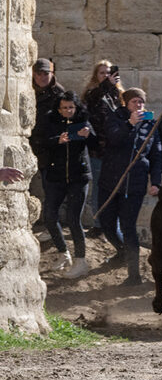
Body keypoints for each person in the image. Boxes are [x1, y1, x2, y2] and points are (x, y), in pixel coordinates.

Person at [98, 88, 162, 287]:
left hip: (134, 185)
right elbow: (114, 139)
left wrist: (156, 181)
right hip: (110, 182)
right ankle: (121, 251)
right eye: (134, 101)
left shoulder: (151, 124)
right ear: (126, 103)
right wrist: (130, 124)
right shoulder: (115, 118)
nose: (139, 105)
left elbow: (156, 155)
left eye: (141, 101)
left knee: (128, 227)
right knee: (107, 223)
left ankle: (134, 275)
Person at [38, 91, 98, 279]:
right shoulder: (50, 121)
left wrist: (88, 136)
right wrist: (58, 140)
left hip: (78, 177)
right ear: (58, 109)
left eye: (71, 107)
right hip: (55, 175)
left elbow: (96, 145)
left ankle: (80, 261)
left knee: (74, 219)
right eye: (64, 108)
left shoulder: (83, 121)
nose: (68, 111)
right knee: (49, 216)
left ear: (76, 107)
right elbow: (40, 142)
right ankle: (63, 252)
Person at [82, 60, 123, 228]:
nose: (106, 76)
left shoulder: (119, 95)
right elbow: (92, 102)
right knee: (99, 187)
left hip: (116, 150)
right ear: (96, 76)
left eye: (108, 73)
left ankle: (114, 226)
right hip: (98, 149)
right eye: (102, 73)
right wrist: (106, 85)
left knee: (117, 188)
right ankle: (98, 224)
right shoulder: (92, 94)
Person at [29, 58, 66, 166]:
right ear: (34, 74)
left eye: (46, 74)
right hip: (31, 140)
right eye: (39, 74)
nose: (43, 77)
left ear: (52, 73)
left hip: (50, 143)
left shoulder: (59, 92)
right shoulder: (27, 89)